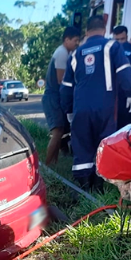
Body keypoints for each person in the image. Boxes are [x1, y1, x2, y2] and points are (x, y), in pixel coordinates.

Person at [61, 15, 131, 192]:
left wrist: (68, 110)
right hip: (105, 108)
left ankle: (83, 188)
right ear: (104, 30)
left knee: (82, 145)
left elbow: (66, 87)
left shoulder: (75, 54)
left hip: (80, 108)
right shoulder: (112, 46)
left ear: (87, 32)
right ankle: (100, 185)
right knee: (103, 144)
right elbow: (125, 73)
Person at [42, 26, 81, 165]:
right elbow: (61, 80)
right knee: (57, 132)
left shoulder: (65, 53)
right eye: (75, 40)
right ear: (67, 39)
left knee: (61, 132)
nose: (77, 43)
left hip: (56, 98)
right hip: (52, 98)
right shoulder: (62, 53)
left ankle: (54, 164)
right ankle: (47, 166)